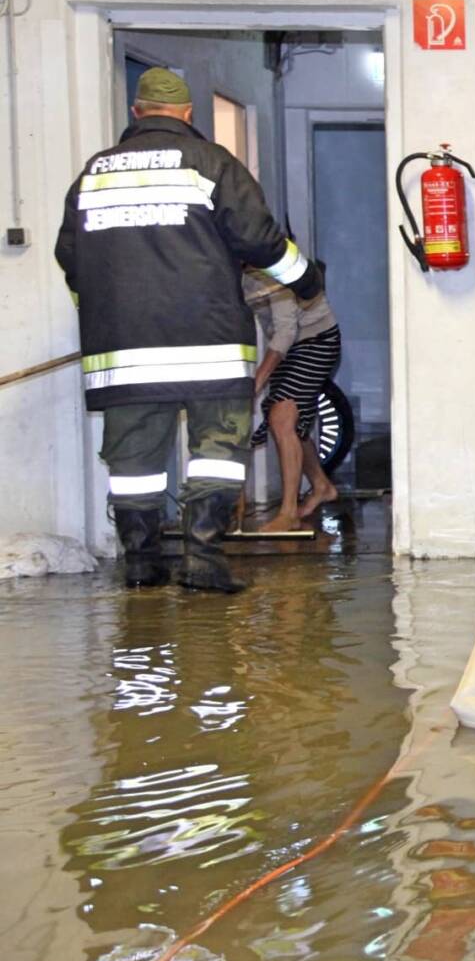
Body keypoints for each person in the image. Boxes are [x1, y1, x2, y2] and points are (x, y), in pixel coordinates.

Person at [54, 67, 323, 592]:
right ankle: (203, 559)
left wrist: (107, 309)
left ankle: (140, 562)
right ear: (187, 114)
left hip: (124, 353)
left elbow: (70, 258)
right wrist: (306, 279)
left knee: (134, 461)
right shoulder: (211, 163)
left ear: (136, 113)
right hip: (208, 342)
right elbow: (261, 240)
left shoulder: (93, 174)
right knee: (219, 452)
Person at [244, 267, 341, 531]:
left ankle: (289, 514)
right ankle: (321, 486)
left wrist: (258, 381)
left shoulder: (274, 266)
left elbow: (286, 331)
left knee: (282, 418)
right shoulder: (231, 269)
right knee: (288, 422)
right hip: (293, 345)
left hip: (317, 340)